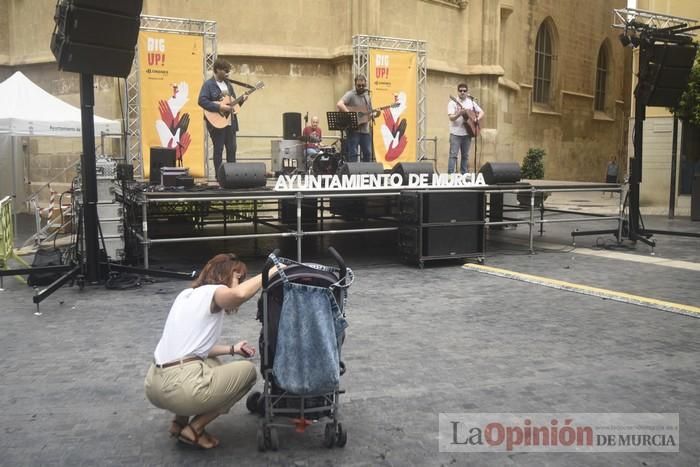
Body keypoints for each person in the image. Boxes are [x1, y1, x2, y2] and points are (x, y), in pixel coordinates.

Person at [144, 253, 281, 449]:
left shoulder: (186, 295)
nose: (239, 283)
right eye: (238, 278)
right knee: (247, 372)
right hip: (181, 387)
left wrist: (232, 349)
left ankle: (178, 422)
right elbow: (238, 295)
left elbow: (195, 349)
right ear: (230, 274)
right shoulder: (215, 291)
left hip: (154, 384)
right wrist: (269, 272)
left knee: (211, 363)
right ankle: (194, 429)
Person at [198, 58, 246, 181]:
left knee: (232, 149)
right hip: (216, 123)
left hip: (230, 122)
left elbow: (233, 105)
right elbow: (202, 101)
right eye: (225, 70)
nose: (227, 73)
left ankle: (232, 176)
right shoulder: (209, 85)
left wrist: (241, 100)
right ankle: (219, 177)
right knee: (218, 149)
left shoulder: (228, 85)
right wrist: (219, 106)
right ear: (217, 70)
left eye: (228, 71)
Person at [336, 75, 378, 162]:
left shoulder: (367, 97)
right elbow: (339, 104)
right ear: (355, 84)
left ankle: (365, 172)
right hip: (353, 130)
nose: (361, 87)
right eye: (359, 85)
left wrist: (374, 114)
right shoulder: (350, 94)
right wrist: (350, 114)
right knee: (353, 154)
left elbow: (369, 113)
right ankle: (353, 173)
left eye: (363, 85)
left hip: (365, 130)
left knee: (368, 153)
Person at [447, 83, 484, 174]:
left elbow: (482, 112)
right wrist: (459, 113)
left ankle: (464, 174)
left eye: (464, 91)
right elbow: (451, 118)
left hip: (467, 133)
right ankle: (450, 175)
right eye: (460, 91)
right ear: (458, 91)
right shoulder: (452, 103)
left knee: (465, 156)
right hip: (455, 133)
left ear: (467, 92)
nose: (462, 92)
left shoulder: (471, 102)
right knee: (453, 155)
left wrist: (476, 119)